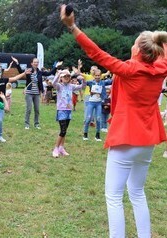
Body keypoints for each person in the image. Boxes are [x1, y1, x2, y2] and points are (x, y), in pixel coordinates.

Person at [60, 5, 167, 237]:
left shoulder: (129, 68)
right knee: (137, 192)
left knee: (114, 197)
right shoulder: (160, 68)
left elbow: (96, 54)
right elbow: (163, 51)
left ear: (137, 49)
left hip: (126, 138)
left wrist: (73, 27)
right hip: (147, 140)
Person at [13, 56, 62, 130]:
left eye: (37, 62)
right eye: (35, 62)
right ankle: (27, 124)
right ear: (32, 63)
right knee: (28, 109)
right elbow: (20, 71)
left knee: (37, 110)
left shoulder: (40, 72)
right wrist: (17, 63)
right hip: (29, 92)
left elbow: (49, 73)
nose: (36, 63)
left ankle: (36, 124)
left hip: (36, 93)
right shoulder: (29, 71)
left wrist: (56, 66)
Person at [51, 69, 86, 158]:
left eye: (68, 76)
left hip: (68, 111)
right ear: (61, 78)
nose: (67, 78)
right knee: (62, 131)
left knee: (64, 131)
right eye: (65, 76)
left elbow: (82, 87)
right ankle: (56, 149)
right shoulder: (59, 86)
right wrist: (58, 74)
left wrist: (83, 79)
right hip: (61, 110)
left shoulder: (72, 86)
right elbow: (53, 83)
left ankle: (62, 148)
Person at [82, 68, 112, 141]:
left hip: (98, 103)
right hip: (91, 103)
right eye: (96, 75)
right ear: (94, 76)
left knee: (98, 119)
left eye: (99, 75)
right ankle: (85, 134)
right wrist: (80, 75)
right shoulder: (90, 82)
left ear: (101, 76)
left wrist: (116, 72)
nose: (97, 77)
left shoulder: (103, 82)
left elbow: (111, 81)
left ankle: (97, 135)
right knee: (88, 118)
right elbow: (82, 81)